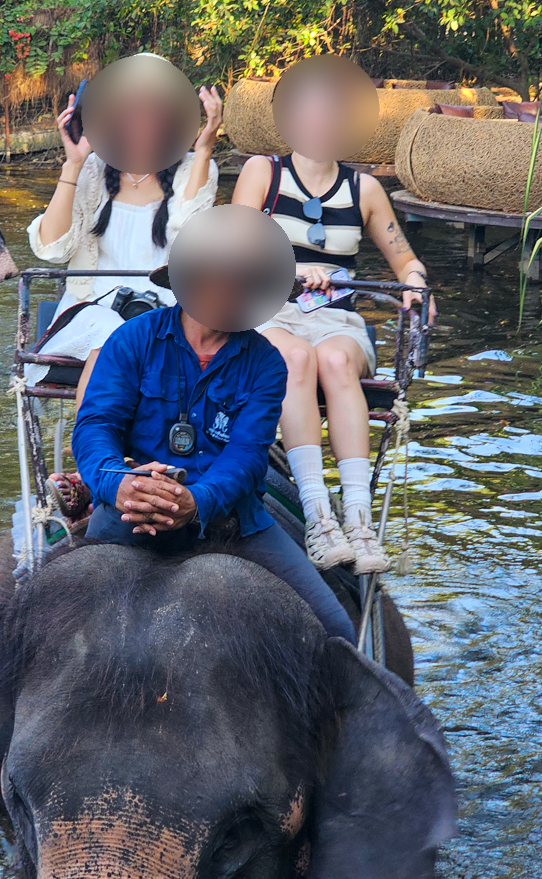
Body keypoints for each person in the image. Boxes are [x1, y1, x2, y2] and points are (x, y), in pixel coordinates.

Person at [70, 255, 357, 646]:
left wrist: (194, 501)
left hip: (232, 521)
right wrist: (117, 483)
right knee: (52, 620)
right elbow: (96, 425)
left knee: (334, 629)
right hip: (131, 506)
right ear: (189, 282)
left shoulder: (266, 362)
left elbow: (248, 457)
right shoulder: (133, 338)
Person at [233, 143, 435, 576]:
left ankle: (359, 522)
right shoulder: (262, 173)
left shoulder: (364, 189)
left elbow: (405, 261)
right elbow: (237, 250)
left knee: (336, 362)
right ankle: (319, 516)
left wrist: (416, 283)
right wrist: (291, 273)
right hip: (271, 311)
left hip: (337, 320)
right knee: (296, 358)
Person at [26, 76, 222, 403]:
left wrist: (203, 150)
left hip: (168, 311)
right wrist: (73, 166)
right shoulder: (92, 169)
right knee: (114, 334)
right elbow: (53, 249)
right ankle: (97, 447)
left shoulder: (195, 168)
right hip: (93, 311)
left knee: (147, 337)